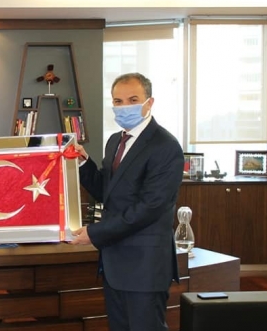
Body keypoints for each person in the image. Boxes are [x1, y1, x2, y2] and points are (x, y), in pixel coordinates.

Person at [70, 72, 184, 331]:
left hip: (145, 266)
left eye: (133, 100)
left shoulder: (165, 146)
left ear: (149, 102)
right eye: (117, 101)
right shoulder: (115, 141)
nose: (124, 107)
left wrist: (94, 233)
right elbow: (107, 192)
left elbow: (150, 207)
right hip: (115, 264)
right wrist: (84, 164)